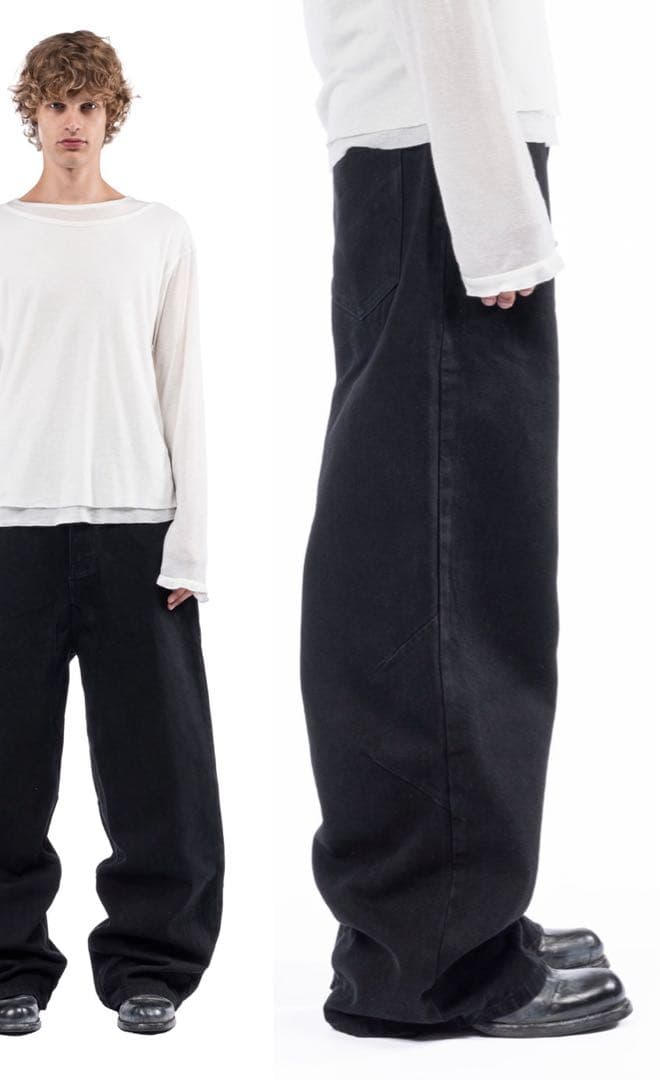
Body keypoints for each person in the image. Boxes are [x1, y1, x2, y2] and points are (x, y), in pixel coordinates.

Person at [299, 0, 632, 1038]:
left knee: (440, 545)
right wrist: (494, 215)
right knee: (448, 566)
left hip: (434, 154)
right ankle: (437, 958)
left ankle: (445, 923)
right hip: (444, 162)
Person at [0, 29, 224, 1036]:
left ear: (111, 114)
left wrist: (193, 543)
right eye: (55, 103)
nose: (70, 123)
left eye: (88, 104)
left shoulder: (159, 233)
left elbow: (184, 388)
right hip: (11, 532)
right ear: (32, 113)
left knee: (160, 769)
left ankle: (152, 966)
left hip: (140, 530)